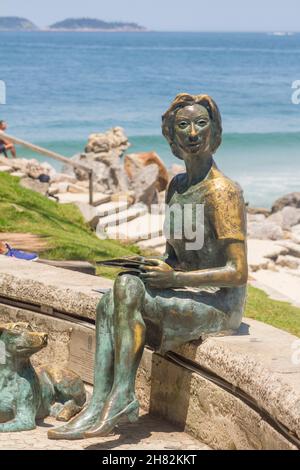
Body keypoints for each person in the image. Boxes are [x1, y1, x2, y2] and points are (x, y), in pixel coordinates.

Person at [49, 94, 248, 441]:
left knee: (124, 290)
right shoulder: (177, 186)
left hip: (220, 302)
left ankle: (122, 396)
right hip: (187, 289)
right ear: (171, 137)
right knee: (112, 296)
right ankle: (100, 401)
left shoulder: (223, 192)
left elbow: (238, 272)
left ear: (214, 131)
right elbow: (174, 256)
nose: (192, 132)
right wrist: (157, 266)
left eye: (201, 123)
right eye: (182, 125)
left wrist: (176, 277)